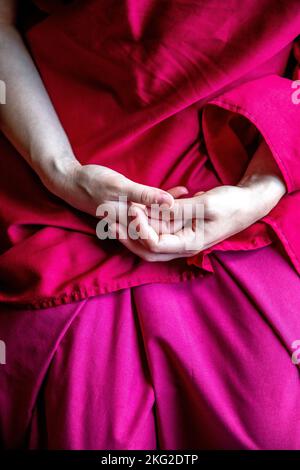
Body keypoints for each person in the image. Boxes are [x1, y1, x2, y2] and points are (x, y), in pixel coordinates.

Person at [0, 0, 300, 449]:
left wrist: (261, 187)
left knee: (268, 422)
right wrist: (60, 171)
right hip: (45, 160)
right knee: (84, 428)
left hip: (254, 168)